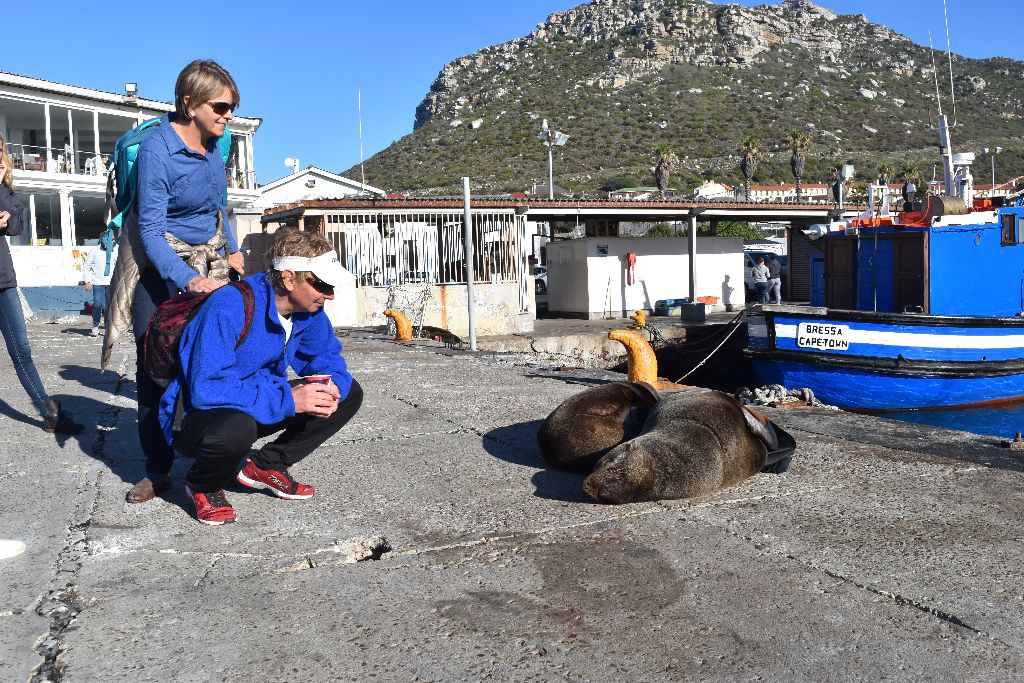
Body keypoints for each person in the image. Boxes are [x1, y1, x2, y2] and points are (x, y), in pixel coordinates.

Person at [165, 229, 362, 525]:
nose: (330, 295)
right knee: (236, 429)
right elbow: (206, 388)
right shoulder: (229, 305)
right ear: (288, 277)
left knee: (346, 393)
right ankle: (203, 484)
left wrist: (330, 387)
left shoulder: (308, 311)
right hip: (197, 415)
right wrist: (288, 400)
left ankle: (265, 465)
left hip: (255, 401)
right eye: (322, 284)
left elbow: (326, 359)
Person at [125, 59, 246, 504]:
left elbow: (218, 207)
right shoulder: (158, 151)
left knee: (213, 361)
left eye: (232, 107)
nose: (227, 114)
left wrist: (230, 250)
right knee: (153, 367)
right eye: (221, 106)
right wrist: (186, 280)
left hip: (210, 257)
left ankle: (213, 458)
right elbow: (150, 231)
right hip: (162, 265)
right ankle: (157, 471)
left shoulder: (216, 146)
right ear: (189, 103)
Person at [0, 135, 83, 434]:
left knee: (21, 351)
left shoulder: (5, 190)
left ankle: (49, 415)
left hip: (3, 281)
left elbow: (17, 225)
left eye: (0, 151)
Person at [82, 234, 118, 336]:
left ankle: (108, 327)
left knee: (108, 307)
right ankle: (95, 326)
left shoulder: (116, 250)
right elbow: (86, 266)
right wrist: (87, 281)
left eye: (113, 240)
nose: (112, 242)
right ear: (102, 239)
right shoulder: (95, 250)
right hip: (98, 282)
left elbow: (120, 265)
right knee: (97, 305)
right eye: (110, 239)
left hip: (111, 283)